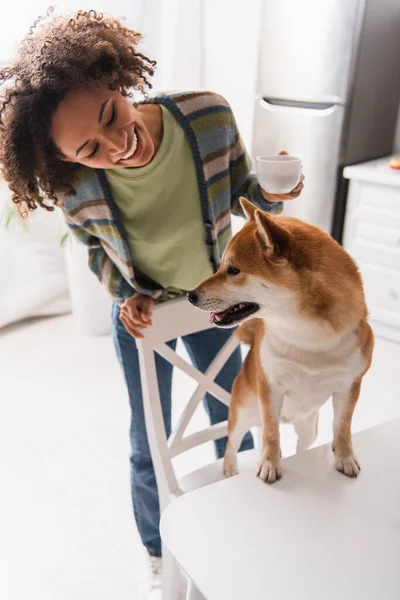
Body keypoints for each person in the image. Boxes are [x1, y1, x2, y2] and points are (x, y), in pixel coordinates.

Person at [0, 9, 303, 599]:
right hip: (145, 319)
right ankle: (159, 550)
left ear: (116, 80)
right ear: (69, 161)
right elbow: (92, 244)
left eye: (113, 115)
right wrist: (125, 295)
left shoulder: (208, 114)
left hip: (220, 303)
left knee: (235, 419)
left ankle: (241, 527)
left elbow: (245, 194)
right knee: (149, 442)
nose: (118, 144)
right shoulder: (71, 184)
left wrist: (273, 196)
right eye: (90, 148)